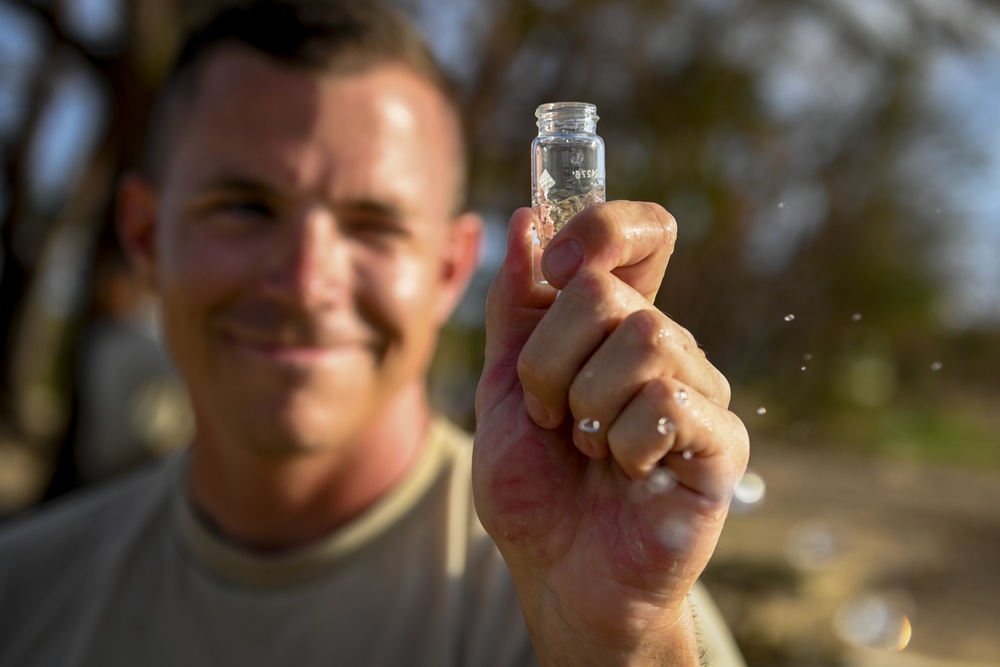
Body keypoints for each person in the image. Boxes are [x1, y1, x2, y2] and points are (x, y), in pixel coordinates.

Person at [0, 1, 750, 665]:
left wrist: (622, 644)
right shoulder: (22, 591)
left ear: (453, 269)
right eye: (246, 208)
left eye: (374, 224)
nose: (304, 278)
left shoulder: (584, 583)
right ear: (144, 237)